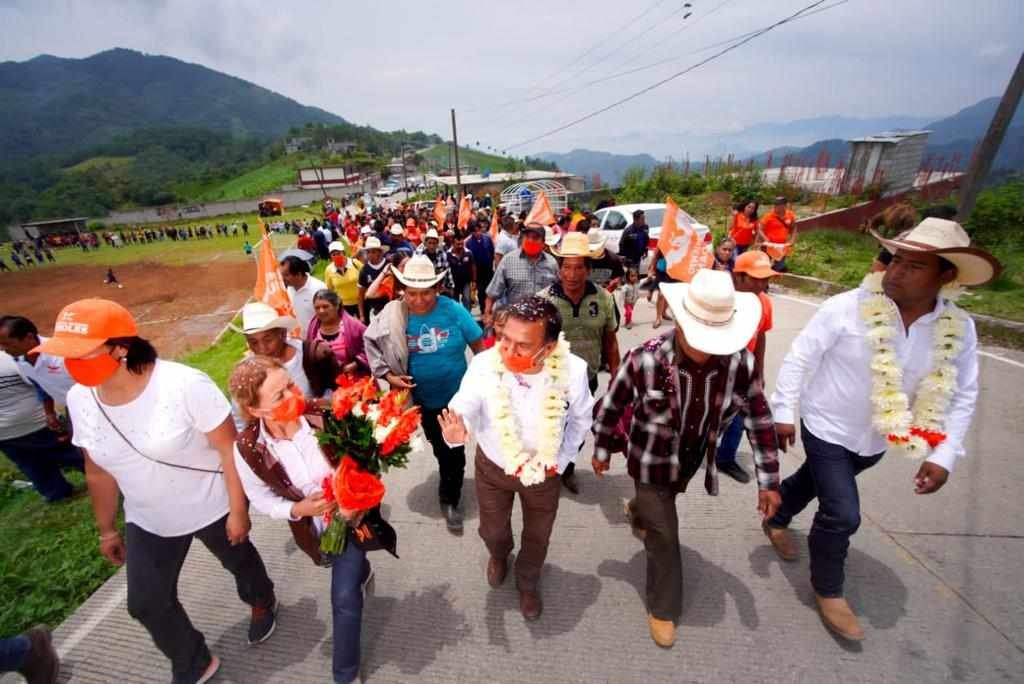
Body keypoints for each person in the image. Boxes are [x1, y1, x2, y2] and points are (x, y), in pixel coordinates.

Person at [765, 218, 999, 642]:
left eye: (913, 266)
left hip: (878, 439)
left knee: (815, 482)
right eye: (895, 260)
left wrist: (942, 454)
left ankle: (778, 518)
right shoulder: (846, 306)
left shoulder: (958, 328)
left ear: (945, 275)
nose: (894, 272)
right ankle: (829, 589)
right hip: (825, 424)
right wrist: (784, 409)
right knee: (842, 512)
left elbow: (963, 394)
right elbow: (801, 357)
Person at [36, 298, 277, 683]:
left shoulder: (183, 385)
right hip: (148, 517)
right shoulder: (80, 399)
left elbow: (227, 450)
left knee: (241, 564)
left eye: (80, 354)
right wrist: (107, 528)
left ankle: (262, 600)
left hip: (211, 503)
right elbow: (96, 469)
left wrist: (238, 510)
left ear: (120, 348)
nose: (70, 364)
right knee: (146, 602)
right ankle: (193, 660)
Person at [592, 270, 781, 648]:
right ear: (679, 321)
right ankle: (663, 607)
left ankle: (642, 511)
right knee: (665, 535)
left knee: (663, 505)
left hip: (693, 458)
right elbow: (612, 404)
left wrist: (769, 481)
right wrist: (600, 449)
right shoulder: (643, 359)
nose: (706, 347)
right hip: (648, 459)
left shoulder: (739, 365)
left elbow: (759, 419)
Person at [439, 297, 594, 620]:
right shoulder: (484, 364)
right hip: (493, 467)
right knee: (493, 532)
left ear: (549, 348)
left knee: (538, 537)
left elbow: (581, 419)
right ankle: (499, 555)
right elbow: (464, 403)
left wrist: (563, 460)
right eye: (504, 339)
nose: (508, 352)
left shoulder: (574, 370)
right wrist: (458, 429)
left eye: (522, 345)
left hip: (544, 473)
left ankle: (527, 581)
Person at [229, 356, 373, 684]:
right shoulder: (249, 448)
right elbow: (261, 499)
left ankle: (345, 674)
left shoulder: (324, 412)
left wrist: (354, 492)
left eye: (290, 385)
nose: (293, 396)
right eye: (278, 396)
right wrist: (298, 511)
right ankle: (361, 570)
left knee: (344, 598)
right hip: (317, 527)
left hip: (355, 510)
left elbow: (365, 453)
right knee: (343, 564)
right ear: (255, 411)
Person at [365, 255, 484, 532]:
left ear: (437, 288)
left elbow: (479, 347)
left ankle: (450, 498)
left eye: (426, 293)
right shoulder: (393, 315)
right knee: (440, 447)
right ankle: (448, 476)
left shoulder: (453, 310)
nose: (419, 300)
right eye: (412, 293)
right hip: (422, 402)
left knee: (453, 452)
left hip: (457, 400)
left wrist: (484, 384)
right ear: (402, 290)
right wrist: (389, 376)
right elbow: (371, 346)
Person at [538, 232, 620, 494]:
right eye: (566, 268)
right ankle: (545, 468)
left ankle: (567, 468)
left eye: (578, 268)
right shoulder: (543, 300)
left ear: (588, 270)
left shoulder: (604, 299)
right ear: (559, 269)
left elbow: (611, 340)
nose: (572, 275)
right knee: (549, 428)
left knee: (578, 427)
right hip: (550, 380)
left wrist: (617, 375)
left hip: (588, 380)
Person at [714, 251, 781, 484]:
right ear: (738, 276)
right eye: (757, 278)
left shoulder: (764, 302)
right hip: (716, 368)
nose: (764, 283)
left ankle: (725, 458)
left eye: (766, 278)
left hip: (744, 370)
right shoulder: (720, 299)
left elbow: (761, 336)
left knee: (741, 418)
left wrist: (759, 372)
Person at [0, 348, 83, 502]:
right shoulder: (9, 360)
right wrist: (50, 413)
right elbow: (41, 384)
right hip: (36, 423)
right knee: (74, 454)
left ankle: (57, 494)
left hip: (4, 435)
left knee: (33, 466)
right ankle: (107, 477)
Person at [232, 302, 341, 407]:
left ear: (282, 334)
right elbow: (240, 419)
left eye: (268, 339)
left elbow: (338, 392)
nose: (262, 349)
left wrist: (313, 404)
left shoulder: (313, 354)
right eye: (254, 342)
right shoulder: (246, 373)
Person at [483, 223, 559, 327]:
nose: (530, 241)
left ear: (543, 242)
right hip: (515, 323)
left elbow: (559, 294)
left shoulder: (552, 263)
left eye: (536, 238)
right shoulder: (508, 260)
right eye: (527, 237)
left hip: (543, 325)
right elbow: (492, 293)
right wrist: (487, 314)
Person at [0, 315, 76, 412]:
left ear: (29, 337)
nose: (2, 349)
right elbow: (41, 384)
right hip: (71, 408)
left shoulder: (63, 354)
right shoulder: (19, 359)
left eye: (7, 344)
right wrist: (49, 412)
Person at [307, 289, 368, 376]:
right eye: (317, 308)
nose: (321, 311)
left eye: (325, 306)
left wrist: (356, 364)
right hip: (326, 383)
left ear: (337, 306)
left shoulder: (355, 326)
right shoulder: (313, 328)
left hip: (355, 381)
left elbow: (371, 348)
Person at [280, 255, 328, 333]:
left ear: (298, 274)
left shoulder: (319, 289)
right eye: (282, 275)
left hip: (317, 340)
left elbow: (328, 317)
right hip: (297, 340)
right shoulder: (289, 288)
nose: (283, 279)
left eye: (286, 275)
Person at [323, 241, 364, 319]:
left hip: (361, 301)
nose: (336, 256)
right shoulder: (329, 270)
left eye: (338, 253)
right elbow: (329, 289)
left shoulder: (355, 263)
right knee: (349, 327)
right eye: (333, 254)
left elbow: (365, 276)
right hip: (344, 305)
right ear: (330, 256)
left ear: (343, 253)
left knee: (366, 324)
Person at [355, 236, 391, 323]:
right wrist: (362, 315)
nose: (370, 254)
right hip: (373, 310)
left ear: (380, 252)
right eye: (368, 252)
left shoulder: (389, 266)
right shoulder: (364, 270)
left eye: (373, 251)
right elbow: (361, 294)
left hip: (389, 309)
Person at [757, 196, 797, 271]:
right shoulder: (768, 216)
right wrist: (765, 238)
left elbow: (794, 228)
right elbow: (760, 229)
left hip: (782, 247)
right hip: (769, 246)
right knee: (764, 266)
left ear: (784, 205)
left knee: (779, 266)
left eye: (778, 205)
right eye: (775, 204)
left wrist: (792, 240)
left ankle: (774, 276)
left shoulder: (790, 215)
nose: (776, 207)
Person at [466, 219, 495, 310]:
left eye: (478, 230)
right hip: (478, 272)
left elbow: (492, 252)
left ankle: (490, 309)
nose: (477, 233)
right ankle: (484, 310)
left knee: (490, 291)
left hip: (488, 270)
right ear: (471, 232)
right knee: (481, 292)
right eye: (475, 231)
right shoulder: (468, 243)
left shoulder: (487, 239)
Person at [415, 228, 455, 294]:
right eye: (430, 243)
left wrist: (450, 287)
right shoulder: (418, 253)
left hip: (438, 288)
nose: (432, 246)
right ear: (425, 243)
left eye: (434, 243)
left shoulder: (442, 254)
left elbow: (447, 271)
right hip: (422, 286)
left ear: (437, 244)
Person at [447, 233, 476, 311]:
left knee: (467, 300)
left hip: (466, 282)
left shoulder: (469, 253)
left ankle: (467, 317)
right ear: (453, 243)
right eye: (458, 244)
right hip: (453, 283)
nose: (460, 246)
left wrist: (474, 281)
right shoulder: (448, 254)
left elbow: (473, 267)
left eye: (462, 244)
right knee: (454, 302)